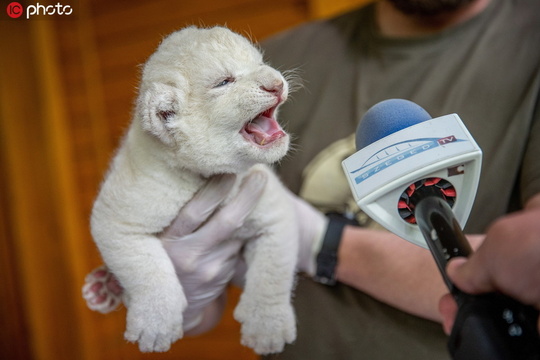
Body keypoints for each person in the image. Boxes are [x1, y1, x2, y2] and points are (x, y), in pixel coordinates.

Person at [84, 0, 540, 358]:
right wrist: (179, 292)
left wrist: (323, 243)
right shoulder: (274, 61)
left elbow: (527, 271)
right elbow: (210, 304)